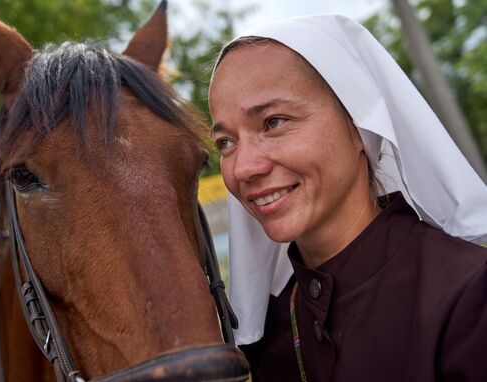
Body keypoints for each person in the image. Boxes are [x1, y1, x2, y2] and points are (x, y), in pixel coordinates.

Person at [208, 15, 487, 382]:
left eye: (274, 122)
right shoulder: (270, 327)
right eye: (226, 142)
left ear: (359, 126)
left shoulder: (469, 296)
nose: (242, 168)